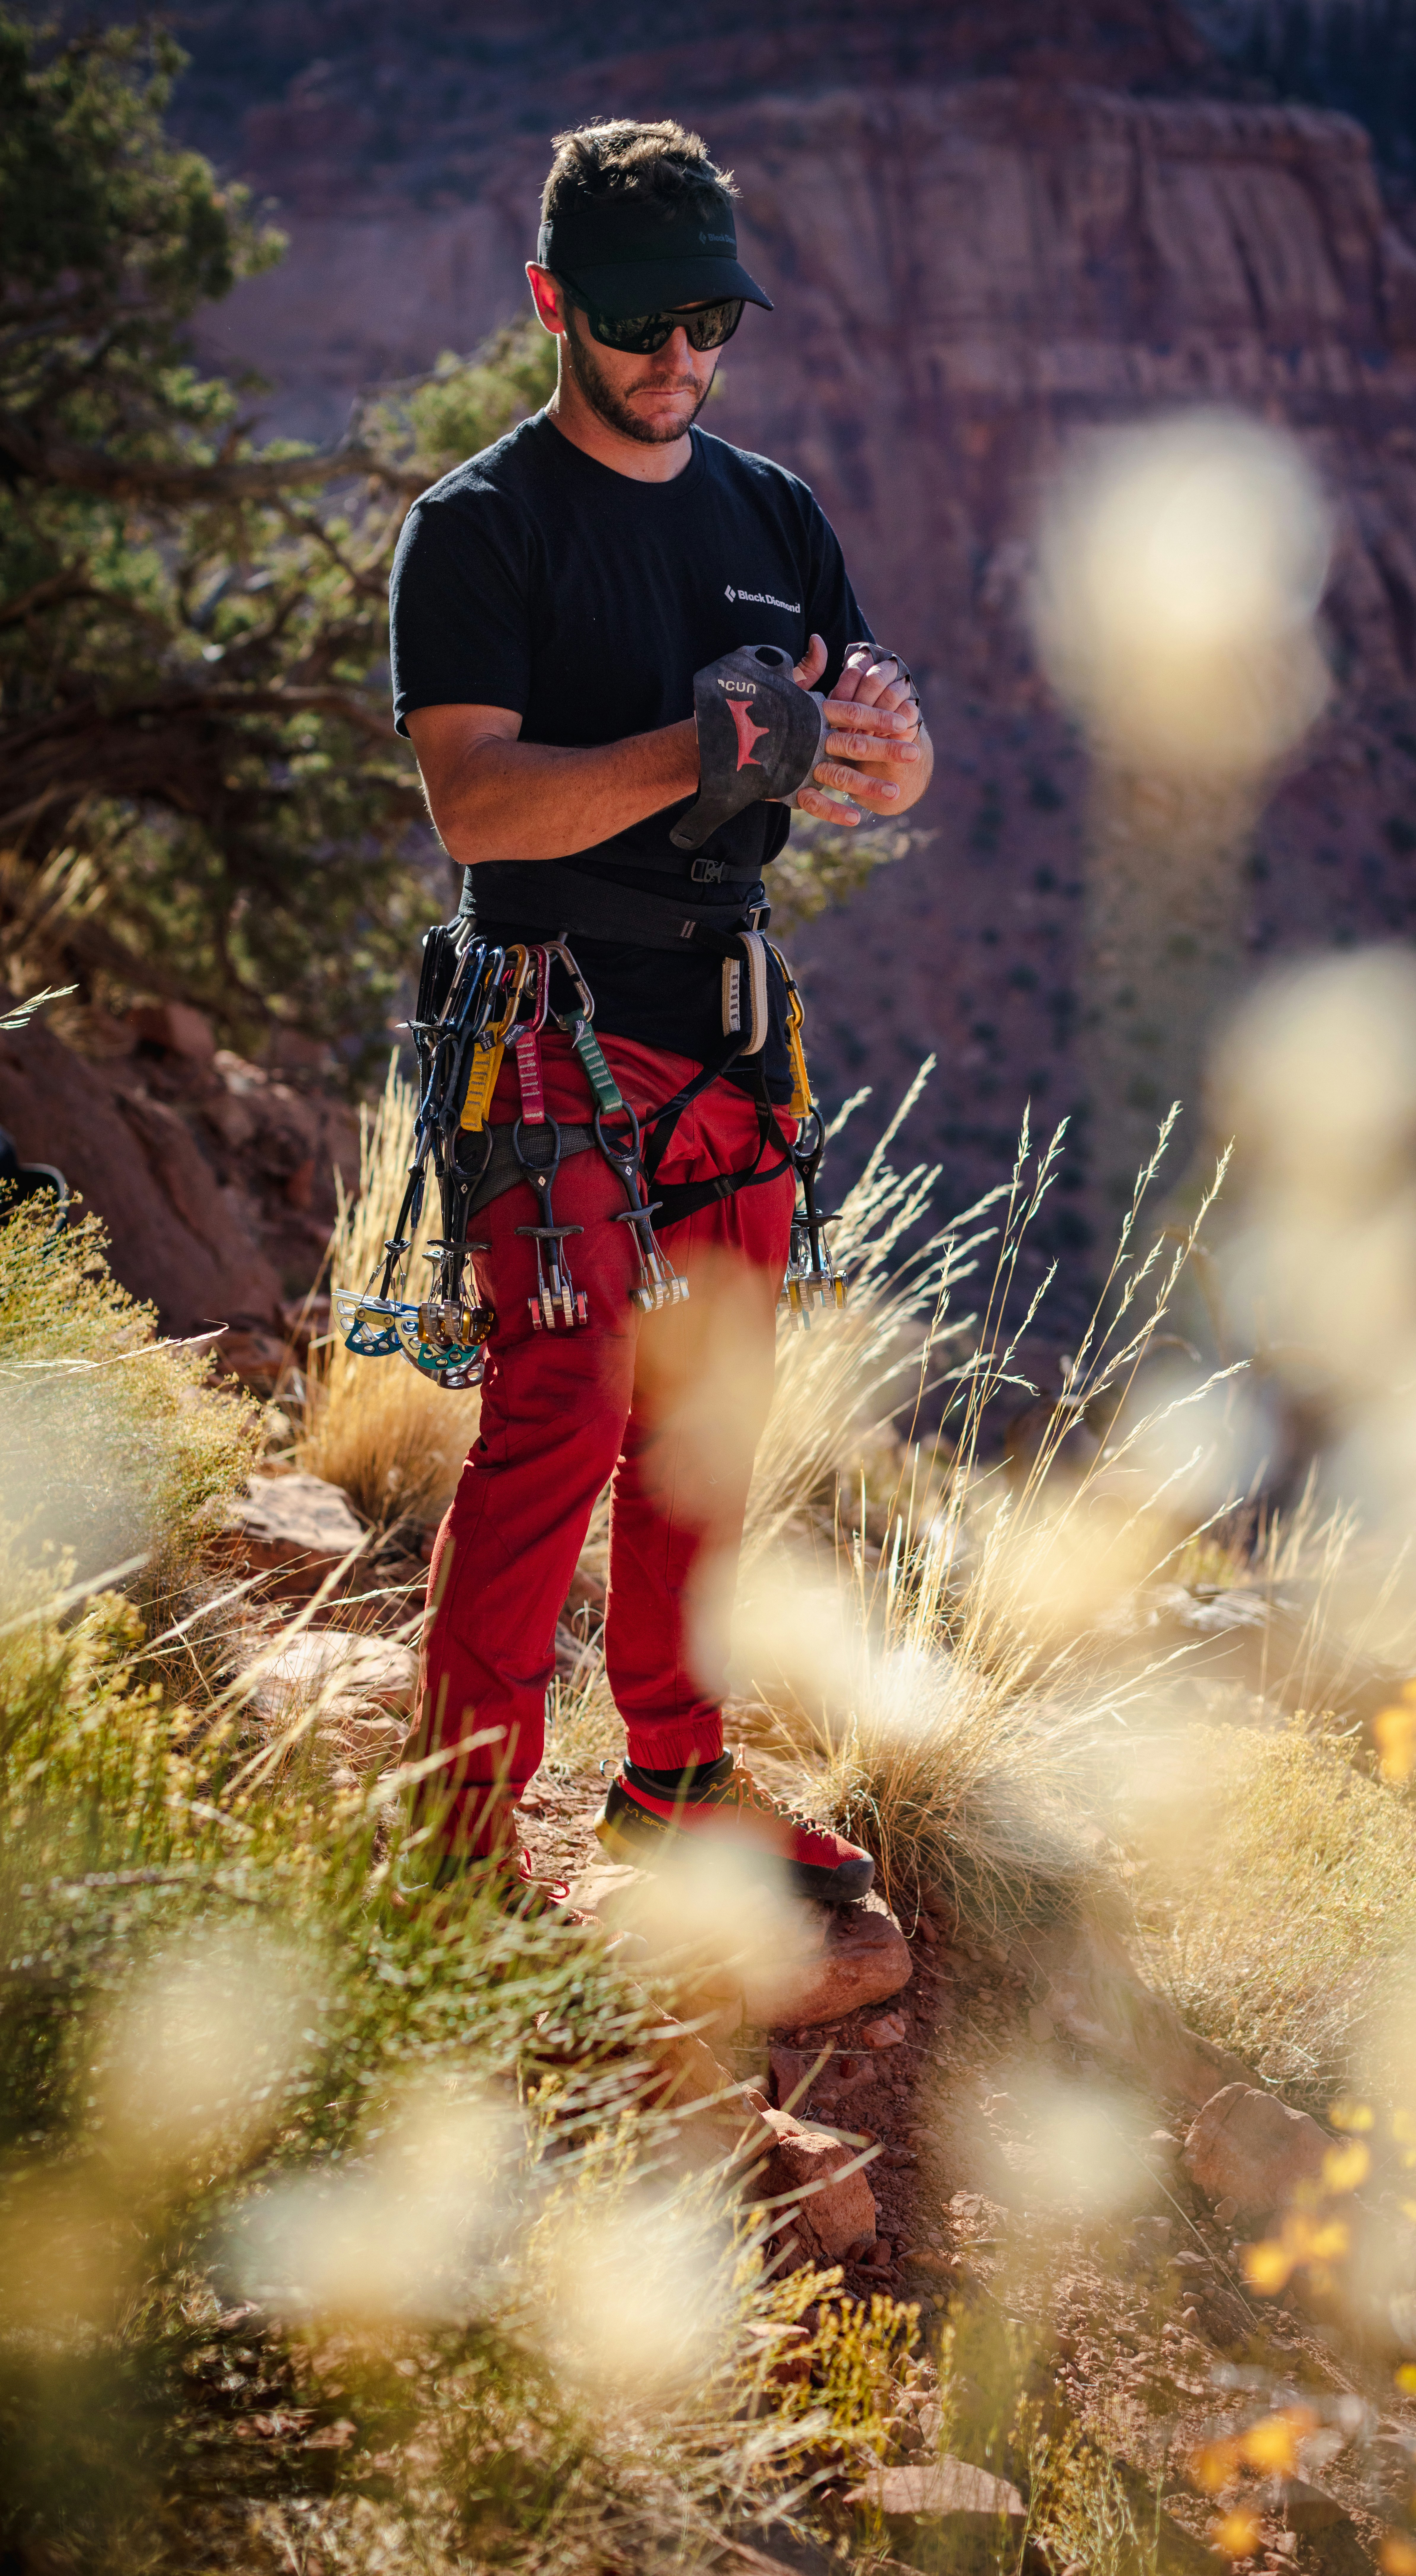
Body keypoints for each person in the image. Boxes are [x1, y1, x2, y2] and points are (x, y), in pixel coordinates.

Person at [389, 116, 932, 1910]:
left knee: (706, 1424)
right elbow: (476, 806)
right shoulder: (476, 530)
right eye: (642, 323)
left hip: (724, 1024)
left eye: (713, 319)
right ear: (555, 302)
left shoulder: (773, 513)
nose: (682, 357)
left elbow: (869, 759)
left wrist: (890, 754)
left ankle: (678, 1782)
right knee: (561, 1413)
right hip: (546, 1017)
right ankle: (460, 1840)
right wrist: (692, 745)